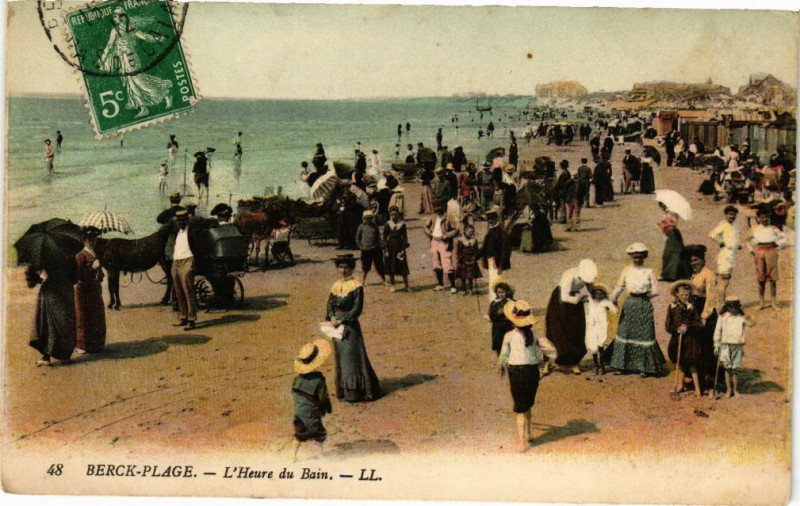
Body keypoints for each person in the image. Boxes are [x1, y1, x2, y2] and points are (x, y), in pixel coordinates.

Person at [97, 7, 173, 118]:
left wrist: (102, 59)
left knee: (137, 79)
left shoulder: (121, 29)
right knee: (131, 81)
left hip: (129, 57)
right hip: (124, 57)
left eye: (115, 15)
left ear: (122, 17)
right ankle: (143, 106)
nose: (114, 17)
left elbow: (110, 46)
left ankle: (163, 93)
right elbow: (145, 37)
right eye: (113, 15)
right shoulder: (126, 28)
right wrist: (158, 38)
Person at [326, 254, 381, 402]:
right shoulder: (335, 285)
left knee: (352, 356)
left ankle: (356, 390)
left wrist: (342, 320)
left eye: (346, 268)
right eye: (341, 267)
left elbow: (357, 309)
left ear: (351, 269)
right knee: (341, 357)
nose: (343, 271)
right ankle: (345, 388)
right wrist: (331, 317)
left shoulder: (356, 286)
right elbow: (330, 304)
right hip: (336, 326)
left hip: (350, 327)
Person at [608, 243, 666, 377]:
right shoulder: (626, 270)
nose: (637, 260)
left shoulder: (649, 272)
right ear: (631, 257)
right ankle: (622, 366)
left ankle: (644, 368)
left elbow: (656, 290)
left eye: (640, 257)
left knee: (645, 333)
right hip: (630, 304)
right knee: (625, 332)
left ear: (644, 257)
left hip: (644, 304)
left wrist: (646, 295)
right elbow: (619, 286)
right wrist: (612, 299)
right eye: (635, 257)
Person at [498, 300, 544, 452]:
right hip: (532, 371)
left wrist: (501, 367)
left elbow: (503, 354)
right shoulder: (536, 335)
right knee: (528, 404)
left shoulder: (509, 335)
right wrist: (544, 367)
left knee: (520, 408)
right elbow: (547, 352)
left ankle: (522, 442)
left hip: (516, 371)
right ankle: (529, 433)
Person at [545, 259, 597, 375]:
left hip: (575, 303)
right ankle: (550, 362)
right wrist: (580, 299)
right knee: (560, 331)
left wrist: (592, 298)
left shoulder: (587, 277)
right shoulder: (570, 277)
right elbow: (564, 297)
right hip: (561, 304)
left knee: (576, 331)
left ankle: (574, 362)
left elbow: (589, 289)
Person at [27, 259, 77, 366]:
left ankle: (46, 357)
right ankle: (65, 356)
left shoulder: (43, 255)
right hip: (66, 291)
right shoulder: (69, 253)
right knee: (65, 323)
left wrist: (41, 278)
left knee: (47, 323)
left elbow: (31, 277)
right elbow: (75, 278)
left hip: (51, 292)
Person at [291, 339, 333, 461]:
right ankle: (320, 455)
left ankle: (292, 456)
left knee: (299, 435)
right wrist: (326, 408)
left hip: (299, 412)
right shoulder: (319, 380)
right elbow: (323, 397)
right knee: (319, 434)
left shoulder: (297, 379)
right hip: (312, 412)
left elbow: (294, 394)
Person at [666, 280, 705, 398]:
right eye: (682, 295)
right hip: (677, 339)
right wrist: (677, 328)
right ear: (676, 294)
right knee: (680, 363)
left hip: (690, 341)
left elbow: (699, 324)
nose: (684, 297)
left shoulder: (691, 308)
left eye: (687, 295)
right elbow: (668, 326)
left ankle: (698, 389)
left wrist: (687, 327)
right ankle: (680, 385)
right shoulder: (672, 308)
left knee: (692, 364)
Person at [745, 207, 788, 310]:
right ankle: (761, 302)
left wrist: (778, 246)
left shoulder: (773, 228)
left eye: (767, 217)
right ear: (759, 218)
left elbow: (784, 238)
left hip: (771, 251)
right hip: (759, 251)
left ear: (769, 217)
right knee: (761, 279)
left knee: (773, 278)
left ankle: (773, 302)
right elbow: (747, 240)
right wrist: (751, 250)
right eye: (762, 217)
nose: (765, 219)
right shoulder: (754, 228)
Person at [74, 227, 107, 355]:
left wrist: (99, 272)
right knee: (83, 317)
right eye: (89, 239)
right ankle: (81, 345)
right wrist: (92, 268)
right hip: (83, 291)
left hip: (94, 290)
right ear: (84, 240)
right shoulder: (80, 255)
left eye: (94, 238)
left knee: (96, 316)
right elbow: (77, 276)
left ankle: (96, 345)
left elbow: (99, 274)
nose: (92, 241)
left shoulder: (94, 253)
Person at [713, 296, 747, 398]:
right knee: (727, 369)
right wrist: (716, 345)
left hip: (738, 346)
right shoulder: (723, 317)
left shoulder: (741, 318)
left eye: (735, 307)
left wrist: (749, 317)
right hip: (725, 346)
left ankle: (735, 390)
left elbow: (752, 323)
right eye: (730, 307)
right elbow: (718, 331)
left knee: (735, 369)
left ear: (738, 307)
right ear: (727, 307)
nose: (733, 309)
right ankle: (728, 390)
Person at [171, 210, 199, 330]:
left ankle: (191, 320)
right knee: (178, 292)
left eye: (183, 220)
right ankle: (183, 317)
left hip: (188, 260)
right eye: (179, 221)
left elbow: (198, 245)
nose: (180, 223)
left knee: (188, 291)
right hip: (176, 262)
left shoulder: (192, 230)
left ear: (187, 220)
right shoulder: (178, 232)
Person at [423, 203, 459, 293]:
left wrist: (447, 235)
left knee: (447, 263)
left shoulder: (449, 217)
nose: (437, 212)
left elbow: (457, 229)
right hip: (434, 241)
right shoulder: (434, 217)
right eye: (436, 210)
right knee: (436, 263)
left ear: (443, 208)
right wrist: (429, 233)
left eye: (439, 209)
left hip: (444, 242)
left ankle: (453, 286)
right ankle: (440, 284)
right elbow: (425, 226)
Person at [707, 206, 741, 302]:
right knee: (724, 281)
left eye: (734, 215)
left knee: (726, 281)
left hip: (732, 255)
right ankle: (721, 303)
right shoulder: (723, 224)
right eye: (730, 214)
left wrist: (737, 245)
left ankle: (721, 301)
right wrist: (720, 241)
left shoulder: (734, 226)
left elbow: (732, 239)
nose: (732, 216)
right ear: (726, 215)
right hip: (725, 255)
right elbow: (712, 234)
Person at [478, 206, 511, 301]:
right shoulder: (490, 231)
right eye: (489, 220)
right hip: (491, 262)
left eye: (492, 219)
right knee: (492, 284)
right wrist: (475, 257)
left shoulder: (502, 233)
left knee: (500, 286)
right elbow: (484, 247)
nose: (490, 221)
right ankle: (493, 306)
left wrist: (501, 266)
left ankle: (500, 307)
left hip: (499, 264)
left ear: (496, 219)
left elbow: (506, 251)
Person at [585, 283, 617, 375]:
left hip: (602, 326)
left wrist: (610, 307)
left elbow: (615, 310)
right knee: (593, 346)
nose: (598, 295)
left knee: (601, 345)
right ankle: (596, 365)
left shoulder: (605, 302)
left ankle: (602, 365)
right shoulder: (590, 300)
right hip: (591, 326)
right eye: (596, 293)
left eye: (600, 294)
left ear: (603, 294)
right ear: (593, 294)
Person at [355, 210, 387, 287]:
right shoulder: (361, 227)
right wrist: (361, 246)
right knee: (365, 266)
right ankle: (363, 280)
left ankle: (384, 280)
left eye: (370, 218)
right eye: (366, 218)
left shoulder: (375, 226)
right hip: (365, 250)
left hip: (376, 248)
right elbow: (357, 239)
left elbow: (378, 237)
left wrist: (381, 244)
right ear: (364, 218)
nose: (368, 219)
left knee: (379, 265)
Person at [383, 206, 410, 293]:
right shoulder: (388, 224)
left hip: (399, 246)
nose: (394, 216)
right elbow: (384, 238)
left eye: (395, 214)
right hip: (391, 247)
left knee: (402, 265)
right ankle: (392, 285)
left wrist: (403, 248)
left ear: (398, 214)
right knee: (391, 266)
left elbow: (405, 237)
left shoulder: (402, 224)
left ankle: (406, 285)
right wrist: (385, 249)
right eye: (392, 215)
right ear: (390, 215)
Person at [487, 279, 515, 356]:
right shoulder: (494, 303)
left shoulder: (512, 302)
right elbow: (491, 315)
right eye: (499, 292)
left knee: (510, 346)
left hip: (509, 327)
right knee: (499, 346)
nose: (501, 294)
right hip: (498, 328)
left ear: (507, 292)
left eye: (503, 292)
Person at [658, 215, 690, 282]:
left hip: (673, 234)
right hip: (672, 235)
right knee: (668, 255)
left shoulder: (671, 215)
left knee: (674, 255)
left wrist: (668, 225)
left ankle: (672, 274)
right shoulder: (669, 216)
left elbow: (668, 226)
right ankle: (670, 274)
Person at [455, 224, 482, 295]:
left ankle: (470, 289)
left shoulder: (474, 241)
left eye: (472, 232)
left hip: (472, 260)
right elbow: (459, 251)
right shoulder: (461, 241)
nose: (471, 233)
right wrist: (462, 259)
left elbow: (477, 251)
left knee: (471, 275)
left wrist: (475, 258)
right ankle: (464, 289)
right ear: (465, 231)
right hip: (463, 260)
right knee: (463, 275)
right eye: (469, 231)